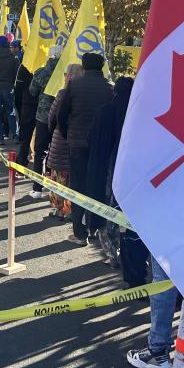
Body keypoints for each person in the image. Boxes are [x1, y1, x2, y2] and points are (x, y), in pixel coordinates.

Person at [55, 52, 113, 246]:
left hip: (77, 144)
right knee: (97, 187)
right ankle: (96, 227)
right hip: (101, 146)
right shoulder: (109, 88)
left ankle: (80, 233)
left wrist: (67, 134)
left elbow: (61, 115)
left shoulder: (74, 86)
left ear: (84, 66)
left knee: (78, 187)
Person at [84, 77, 135, 266]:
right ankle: (131, 256)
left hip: (106, 170)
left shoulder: (105, 112)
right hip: (132, 173)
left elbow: (91, 139)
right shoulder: (137, 114)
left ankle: (113, 254)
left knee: (106, 211)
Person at [45, 64, 83, 220]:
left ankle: (59, 209)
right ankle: (70, 210)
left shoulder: (62, 94)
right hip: (77, 142)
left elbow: (52, 117)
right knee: (72, 179)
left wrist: (54, 129)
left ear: (68, 76)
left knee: (58, 177)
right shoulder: (83, 96)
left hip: (60, 140)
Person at [27, 45, 62, 200]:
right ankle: (54, 188)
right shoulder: (66, 72)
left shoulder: (41, 72)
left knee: (40, 151)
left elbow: (32, 91)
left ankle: (37, 187)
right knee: (58, 153)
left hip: (43, 116)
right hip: (61, 118)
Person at [12, 40, 35, 165]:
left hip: (28, 103)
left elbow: (18, 87)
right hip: (45, 106)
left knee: (25, 135)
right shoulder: (48, 66)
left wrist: (19, 105)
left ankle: (22, 160)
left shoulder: (25, 65)